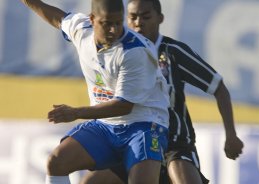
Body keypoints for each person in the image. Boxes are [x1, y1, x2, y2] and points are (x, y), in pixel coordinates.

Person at [80, 0, 244, 184]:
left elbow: (218, 87)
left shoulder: (173, 52)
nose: (138, 22)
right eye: (133, 17)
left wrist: (231, 135)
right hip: (134, 139)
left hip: (173, 144)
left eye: (146, 16)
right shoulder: (119, 53)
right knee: (90, 182)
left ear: (160, 18)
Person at [20, 0, 171, 184]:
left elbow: (123, 106)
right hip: (105, 125)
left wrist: (76, 112)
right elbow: (57, 18)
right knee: (57, 162)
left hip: (144, 124)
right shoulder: (82, 31)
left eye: (118, 23)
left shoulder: (135, 51)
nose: (114, 30)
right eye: (107, 23)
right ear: (92, 20)